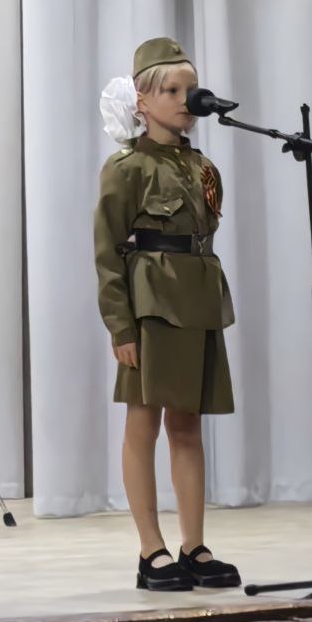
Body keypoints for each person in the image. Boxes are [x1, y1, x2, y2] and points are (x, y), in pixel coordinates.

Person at [93, 37, 242, 592]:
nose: (186, 100)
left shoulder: (203, 167)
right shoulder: (126, 168)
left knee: (187, 426)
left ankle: (194, 545)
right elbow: (108, 253)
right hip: (151, 308)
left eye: (190, 89)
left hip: (196, 303)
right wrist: (121, 325)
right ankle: (150, 549)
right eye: (172, 91)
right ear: (142, 101)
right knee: (143, 423)